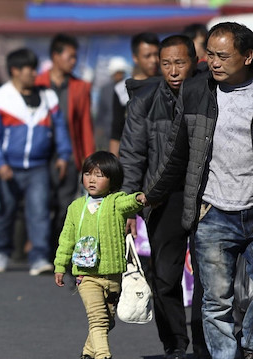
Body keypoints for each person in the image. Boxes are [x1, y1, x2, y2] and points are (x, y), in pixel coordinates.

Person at [143, 22, 253, 359]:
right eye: (210, 55)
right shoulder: (196, 92)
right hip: (213, 213)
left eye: (223, 56)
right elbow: (177, 154)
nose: (214, 63)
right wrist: (149, 195)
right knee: (215, 301)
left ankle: (248, 345)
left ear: (248, 57)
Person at [119, 35, 207, 359]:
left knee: (207, 277)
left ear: (194, 61)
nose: (172, 71)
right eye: (165, 63)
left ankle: (203, 344)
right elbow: (131, 156)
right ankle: (174, 344)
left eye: (179, 63)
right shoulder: (143, 101)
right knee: (166, 277)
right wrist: (129, 205)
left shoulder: (210, 94)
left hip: (206, 196)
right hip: (161, 198)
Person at [0, 48, 72, 275]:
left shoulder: (48, 97)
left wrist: (64, 155)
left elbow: (60, 128)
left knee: (39, 211)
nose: (34, 73)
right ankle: (1, 251)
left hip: (38, 166)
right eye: (29, 69)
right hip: (9, 166)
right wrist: (0, 162)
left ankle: (39, 257)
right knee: (7, 210)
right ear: (15, 71)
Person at [55, 151, 145, 359]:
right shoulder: (76, 207)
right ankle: (103, 355)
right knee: (97, 319)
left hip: (113, 275)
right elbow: (66, 239)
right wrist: (60, 265)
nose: (92, 179)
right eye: (88, 174)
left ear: (112, 180)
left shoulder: (115, 202)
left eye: (99, 175)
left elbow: (130, 202)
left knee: (108, 320)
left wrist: (140, 198)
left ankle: (88, 352)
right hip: (86, 276)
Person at [35, 33, 96, 258]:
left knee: (64, 206)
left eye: (75, 57)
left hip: (70, 155)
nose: (74, 61)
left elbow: (85, 125)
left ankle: (57, 249)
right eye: (70, 57)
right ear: (55, 57)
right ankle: (38, 247)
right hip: (41, 156)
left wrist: (88, 160)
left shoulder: (79, 87)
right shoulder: (37, 83)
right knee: (41, 204)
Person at [109, 32, 160, 156]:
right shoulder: (122, 90)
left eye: (156, 54)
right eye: (147, 56)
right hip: (134, 158)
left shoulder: (169, 84)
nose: (154, 60)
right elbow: (117, 131)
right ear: (135, 58)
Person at [95, 57, 130, 149]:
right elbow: (101, 112)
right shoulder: (105, 90)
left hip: (125, 133)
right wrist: (99, 129)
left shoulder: (128, 88)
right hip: (108, 133)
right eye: (117, 73)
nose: (119, 75)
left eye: (121, 72)